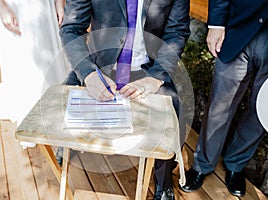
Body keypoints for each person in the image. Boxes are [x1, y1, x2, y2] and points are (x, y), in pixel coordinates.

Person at [60, 0, 190, 199]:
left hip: (149, 69)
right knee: (63, 103)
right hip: (100, 67)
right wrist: (88, 73)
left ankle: (163, 182)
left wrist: (155, 78)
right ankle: (67, 147)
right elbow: (72, 28)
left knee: (173, 112)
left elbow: (177, 32)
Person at [180, 0, 268, 197]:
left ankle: (236, 164)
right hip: (238, 27)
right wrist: (216, 24)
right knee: (220, 104)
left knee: (261, 111)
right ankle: (202, 164)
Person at [0, 0, 68, 127]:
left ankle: (58, 99)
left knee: (52, 57)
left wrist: (59, 2)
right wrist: (2, 7)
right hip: (15, 7)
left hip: (46, 5)